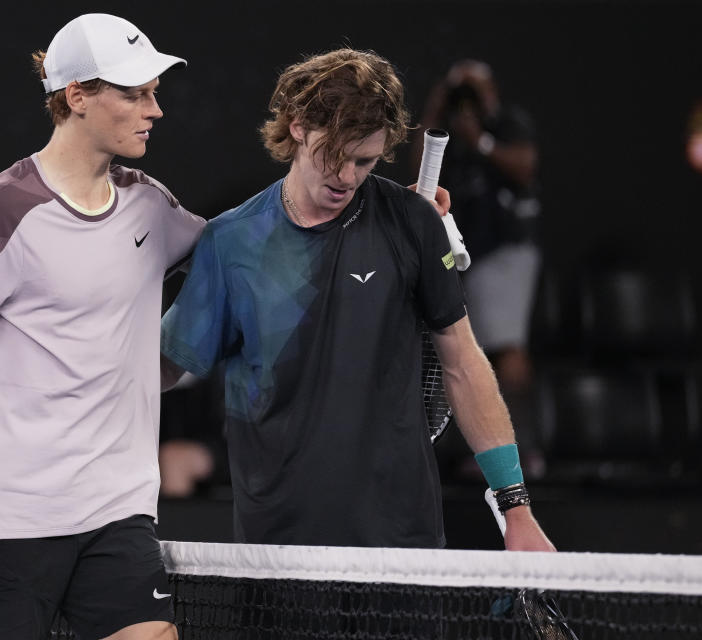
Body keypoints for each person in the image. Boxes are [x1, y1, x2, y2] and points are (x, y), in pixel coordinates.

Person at [0, 14, 204, 640]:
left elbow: (246, 250)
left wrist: (403, 213)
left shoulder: (151, 204)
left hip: (117, 514)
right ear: (77, 96)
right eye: (135, 93)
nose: (154, 109)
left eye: (154, 92)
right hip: (7, 527)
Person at [160, 49, 555, 552]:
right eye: (335, 154)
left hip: (401, 544)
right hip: (275, 552)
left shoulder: (413, 222)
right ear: (298, 126)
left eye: (364, 160)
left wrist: (515, 508)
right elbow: (163, 367)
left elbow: (462, 364)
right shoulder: (230, 241)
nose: (347, 176)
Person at [416, 59, 545, 477]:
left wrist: (482, 142)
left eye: (476, 89)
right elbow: (421, 176)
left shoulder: (508, 123)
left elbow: (525, 166)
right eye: (461, 90)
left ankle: (524, 454)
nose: (468, 98)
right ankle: (481, 455)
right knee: (462, 351)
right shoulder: (446, 131)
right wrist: (436, 111)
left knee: (505, 347)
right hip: (462, 253)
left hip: (505, 250)